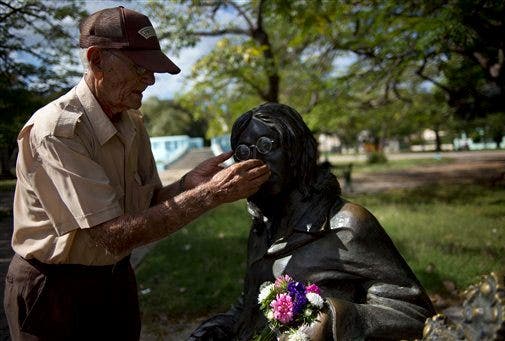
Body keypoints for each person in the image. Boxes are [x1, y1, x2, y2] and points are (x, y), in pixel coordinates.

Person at [3, 7, 270, 341]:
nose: (151, 79)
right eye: (139, 67)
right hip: (55, 290)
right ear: (96, 59)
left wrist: (189, 184)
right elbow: (112, 235)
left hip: (115, 280)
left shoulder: (132, 123)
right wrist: (209, 195)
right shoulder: (58, 130)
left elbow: (151, 203)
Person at [189, 103, 435, 340]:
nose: (255, 161)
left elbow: (417, 315)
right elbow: (251, 302)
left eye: (267, 146)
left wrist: (334, 320)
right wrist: (222, 326)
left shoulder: (346, 224)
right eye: (243, 151)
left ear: (297, 150)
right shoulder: (262, 227)